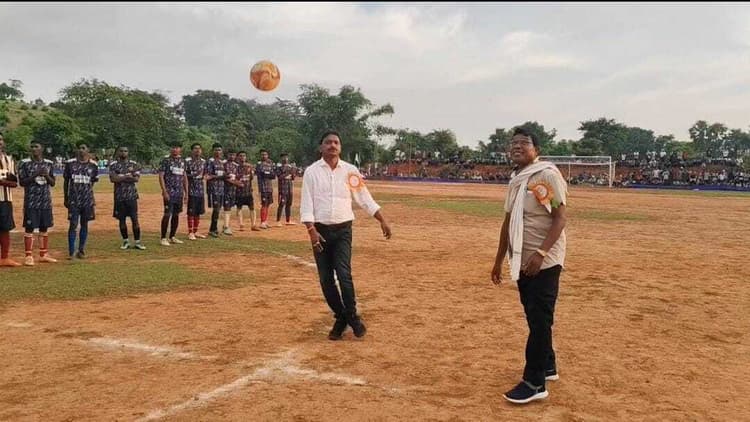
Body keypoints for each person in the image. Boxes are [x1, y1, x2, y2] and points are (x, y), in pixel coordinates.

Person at [491, 127, 568, 404]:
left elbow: (559, 217)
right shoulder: (517, 179)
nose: (517, 147)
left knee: (539, 320)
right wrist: (499, 260)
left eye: (524, 142)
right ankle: (548, 366)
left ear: (537, 150)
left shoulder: (544, 176)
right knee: (535, 316)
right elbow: (507, 222)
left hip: (543, 262)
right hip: (522, 260)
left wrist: (541, 253)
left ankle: (534, 383)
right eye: (513, 143)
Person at [300, 130, 392, 341]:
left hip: (343, 230)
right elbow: (307, 203)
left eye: (336, 142)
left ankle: (350, 316)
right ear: (321, 147)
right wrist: (311, 230)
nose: (332, 145)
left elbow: (363, 197)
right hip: (320, 232)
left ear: (340, 147)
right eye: (328, 142)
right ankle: (343, 317)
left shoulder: (350, 171)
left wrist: (382, 219)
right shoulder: (312, 172)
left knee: (343, 274)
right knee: (326, 279)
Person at [18, 140, 58, 265]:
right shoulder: (24, 163)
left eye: (36, 146)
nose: (34, 149)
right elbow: (22, 182)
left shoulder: (49, 163)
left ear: (42, 148)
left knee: (44, 227)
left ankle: (43, 254)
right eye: (32, 147)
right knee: (29, 228)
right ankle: (28, 256)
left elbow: (53, 183)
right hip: (31, 201)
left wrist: (46, 175)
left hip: (45, 201)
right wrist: (35, 174)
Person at [63, 143, 99, 259]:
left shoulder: (93, 165)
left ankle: (81, 250)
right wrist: (66, 197)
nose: (81, 150)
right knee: (73, 225)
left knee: (85, 224)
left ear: (88, 150)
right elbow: (66, 182)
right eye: (79, 148)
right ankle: (71, 252)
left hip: (87, 200)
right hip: (74, 200)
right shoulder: (70, 164)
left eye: (83, 148)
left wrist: (89, 194)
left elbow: (92, 181)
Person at [109, 146, 146, 250]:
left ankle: (137, 242)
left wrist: (121, 177)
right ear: (118, 152)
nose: (123, 152)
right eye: (121, 151)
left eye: (125, 151)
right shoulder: (114, 165)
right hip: (119, 196)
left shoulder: (134, 164)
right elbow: (113, 179)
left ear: (128, 152)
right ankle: (125, 241)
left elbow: (136, 179)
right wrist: (127, 176)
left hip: (131, 196)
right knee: (122, 220)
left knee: (135, 219)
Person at [158, 142, 188, 246]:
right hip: (169, 192)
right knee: (167, 214)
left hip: (179, 192)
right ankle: (163, 238)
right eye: (173, 147)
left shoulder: (183, 161)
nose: (175, 149)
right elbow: (161, 176)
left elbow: (184, 177)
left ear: (180, 149)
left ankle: (172, 236)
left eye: (177, 148)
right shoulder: (166, 160)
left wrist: (186, 193)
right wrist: (164, 191)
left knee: (176, 214)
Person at [0, 132, 21, 267]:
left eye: (1, 139)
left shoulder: (9, 160)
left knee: (5, 228)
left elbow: (14, 183)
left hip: (5, 200)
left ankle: (4, 257)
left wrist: (2, 182)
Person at [185, 143, 207, 240]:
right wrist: (194, 175)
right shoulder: (187, 161)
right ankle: (190, 232)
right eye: (195, 148)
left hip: (200, 190)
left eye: (199, 148)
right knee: (191, 212)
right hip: (191, 189)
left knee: (198, 212)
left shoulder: (203, 162)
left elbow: (205, 174)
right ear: (192, 150)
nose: (197, 150)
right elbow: (184, 175)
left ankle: (195, 231)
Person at [235, 151, 259, 231]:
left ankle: (253, 225)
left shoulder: (249, 166)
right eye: (240, 156)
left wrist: (251, 171)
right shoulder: (236, 167)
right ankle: (241, 225)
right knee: (239, 208)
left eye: (244, 156)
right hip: (239, 192)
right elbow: (233, 178)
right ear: (238, 157)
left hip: (248, 191)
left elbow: (251, 178)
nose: (242, 157)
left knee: (252, 208)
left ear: (246, 157)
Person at [205, 143, 226, 238]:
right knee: (216, 209)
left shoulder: (222, 162)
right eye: (216, 150)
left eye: (219, 150)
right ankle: (212, 229)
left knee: (219, 209)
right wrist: (221, 176)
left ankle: (214, 228)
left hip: (221, 188)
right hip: (213, 189)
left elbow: (224, 175)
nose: (218, 152)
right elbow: (208, 176)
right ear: (213, 151)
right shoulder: (210, 161)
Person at [222, 151, 242, 235]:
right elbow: (223, 177)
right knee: (226, 207)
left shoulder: (236, 166)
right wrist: (236, 183)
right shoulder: (223, 164)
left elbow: (237, 176)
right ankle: (226, 227)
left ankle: (225, 225)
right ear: (227, 155)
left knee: (229, 207)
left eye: (233, 155)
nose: (232, 156)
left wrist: (238, 182)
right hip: (224, 189)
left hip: (233, 190)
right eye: (230, 154)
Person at [255, 149, 275, 229]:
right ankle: (262, 222)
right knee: (264, 204)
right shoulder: (259, 164)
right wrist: (268, 174)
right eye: (262, 155)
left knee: (268, 204)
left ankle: (265, 221)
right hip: (263, 188)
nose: (264, 156)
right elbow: (262, 174)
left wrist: (268, 174)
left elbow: (273, 175)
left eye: (265, 154)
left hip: (269, 187)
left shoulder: (270, 164)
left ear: (268, 155)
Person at [275, 153, 296, 226]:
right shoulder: (279, 167)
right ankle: (278, 221)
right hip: (283, 189)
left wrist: (293, 171)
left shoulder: (290, 167)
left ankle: (288, 220)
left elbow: (293, 178)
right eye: (284, 157)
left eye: (286, 157)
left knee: (289, 204)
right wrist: (288, 173)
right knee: (281, 204)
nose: (285, 159)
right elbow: (279, 177)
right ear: (281, 159)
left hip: (289, 188)